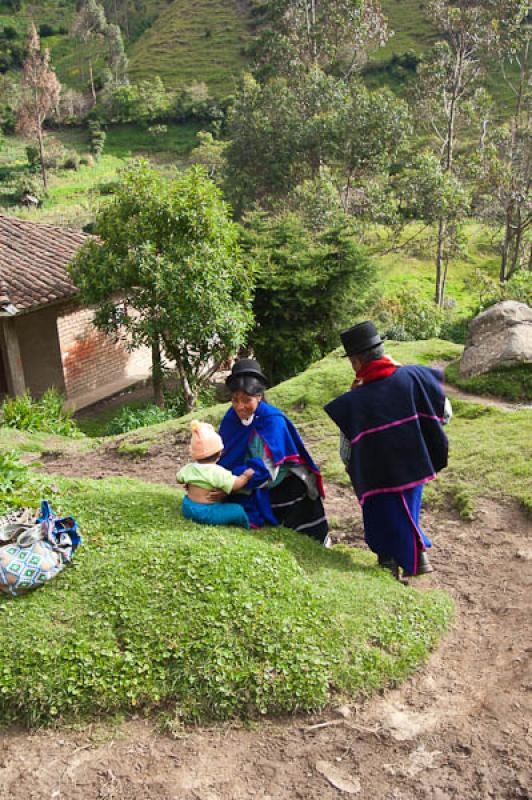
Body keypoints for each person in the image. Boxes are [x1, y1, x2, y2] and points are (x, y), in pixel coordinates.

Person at [323, 321, 452, 577]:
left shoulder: (354, 401)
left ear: (356, 363)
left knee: (381, 518)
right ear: (382, 351)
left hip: (376, 475)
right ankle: (417, 555)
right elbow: (445, 414)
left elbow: (346, 450)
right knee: (408, 510)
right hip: (415, 465)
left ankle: (392, 563)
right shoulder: (415, 376)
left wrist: (355, 469)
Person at [216, 359, 330, 544]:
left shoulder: (272, 420)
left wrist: (231, 485)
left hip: (281, 486)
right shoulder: (231, 418)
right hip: (242, 481)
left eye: (247, 400)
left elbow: (267, 469)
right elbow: (223, 456)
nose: (239, 406)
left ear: (259, 396)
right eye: (235, 400)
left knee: (306, 534)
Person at [177, 420, 255, 528]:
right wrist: (245, 476)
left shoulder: (189, 468)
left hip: (188, 508)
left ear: (195, 455)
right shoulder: (217, 472)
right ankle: (247, 526)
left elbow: (179, 478)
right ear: (219, 454)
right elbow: (235, 485)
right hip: (206, 512)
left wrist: (191, 482)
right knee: (238, 509)